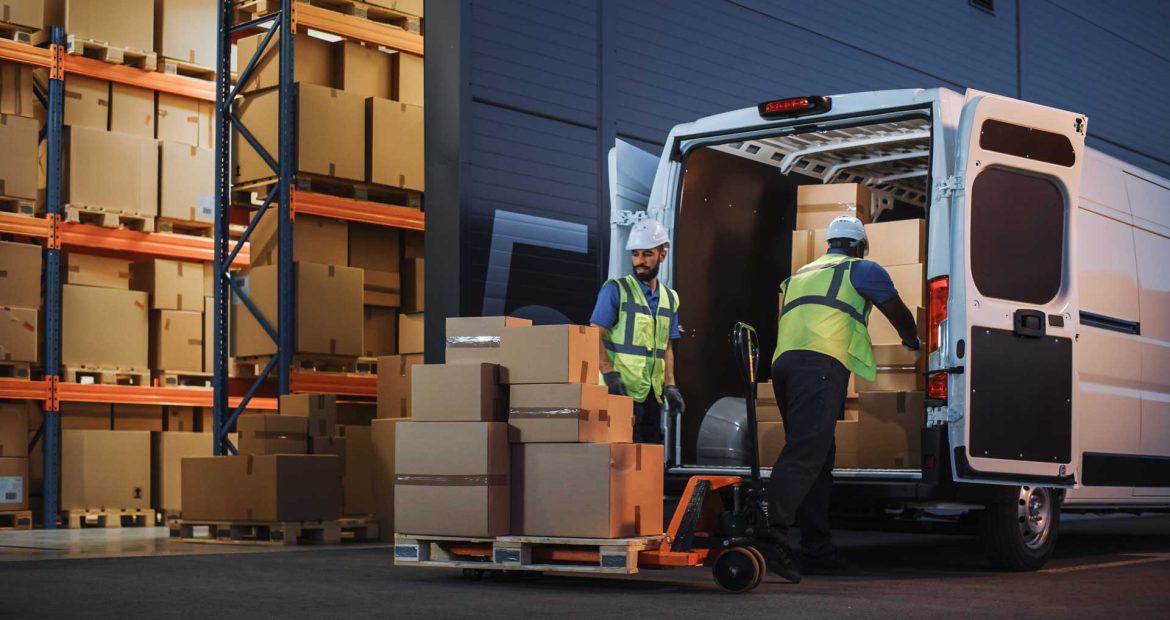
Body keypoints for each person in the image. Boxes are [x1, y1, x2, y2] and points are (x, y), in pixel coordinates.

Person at [762, 215, 920, 583]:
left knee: (819, 456)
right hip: (819, 365)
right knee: (807, 452)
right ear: (859, 245)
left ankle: (816, 548)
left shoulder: (802, 273)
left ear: (829, 244)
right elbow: (898, 314)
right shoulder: (862, 269)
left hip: (785, 364)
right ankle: (772, 532)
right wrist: (913, 341)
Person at [589, 219, 685, 443]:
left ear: (662, 254)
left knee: (648, 458)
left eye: (647, 254)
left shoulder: (670, 299)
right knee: (622, 459)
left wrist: (670, 385)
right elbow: (594, 334)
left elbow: (667, 346)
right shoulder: (616, 290)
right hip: (619, 391)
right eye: (635, 254)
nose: (639, 261)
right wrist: (609, 372)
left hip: (651, 395)